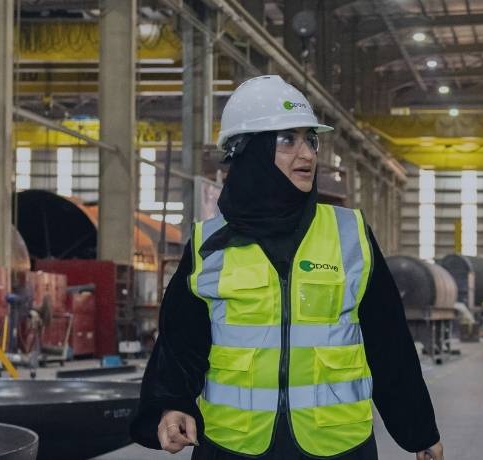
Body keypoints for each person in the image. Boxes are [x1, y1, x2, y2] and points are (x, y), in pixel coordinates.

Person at [130, 75, 445, 460]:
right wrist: (171, 405)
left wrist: (418, 432)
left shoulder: (350, 234)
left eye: (311, 139)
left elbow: (388, 342)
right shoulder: (208, 243)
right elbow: (180, 345)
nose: (308, 154)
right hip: (233, 447)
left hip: (336, 446)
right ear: (249, 151)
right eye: (288, 140)